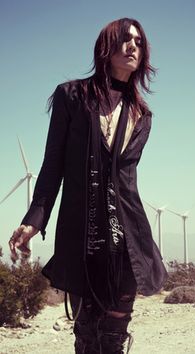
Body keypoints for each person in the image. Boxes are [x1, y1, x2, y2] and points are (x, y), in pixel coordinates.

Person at [9, 17, 168, 354]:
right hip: (82, 239)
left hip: (128, 243)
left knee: (113, 336)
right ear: (105, 48)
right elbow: (53, 165)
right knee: (86, 334)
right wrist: (34, 220)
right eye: (124, 39)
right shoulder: (72, 96)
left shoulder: (143, 115)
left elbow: (126, 181)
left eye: (138, 42)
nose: (132, 47)